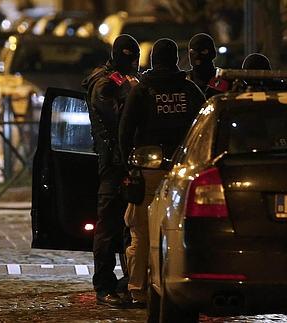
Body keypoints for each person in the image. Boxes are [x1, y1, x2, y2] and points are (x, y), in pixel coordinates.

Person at [119, 38, 205, 305]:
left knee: (141, 232)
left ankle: (138, 289)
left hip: (148, 171)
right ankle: (176, 287)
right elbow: (202, 129)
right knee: (178, 231)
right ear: (176, 59)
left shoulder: (142, 90)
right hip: (182, 172)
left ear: (153, 60)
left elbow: (124, 131)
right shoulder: (190, 90)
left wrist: (128, 166)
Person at [82, 34, 140, 308]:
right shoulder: (104, 84)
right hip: (112, 164)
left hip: (128, 161)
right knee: (107, 226)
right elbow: (118, 117)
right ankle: (104, 285)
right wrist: (131, 92)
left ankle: (130, 281)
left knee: (131, 226)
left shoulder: (122, 81)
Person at [187, 33, 229, 99]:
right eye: (193, 52)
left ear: (212, 53)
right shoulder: (185, 81)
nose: (197, 56)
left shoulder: (223, 79)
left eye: (203, 51)